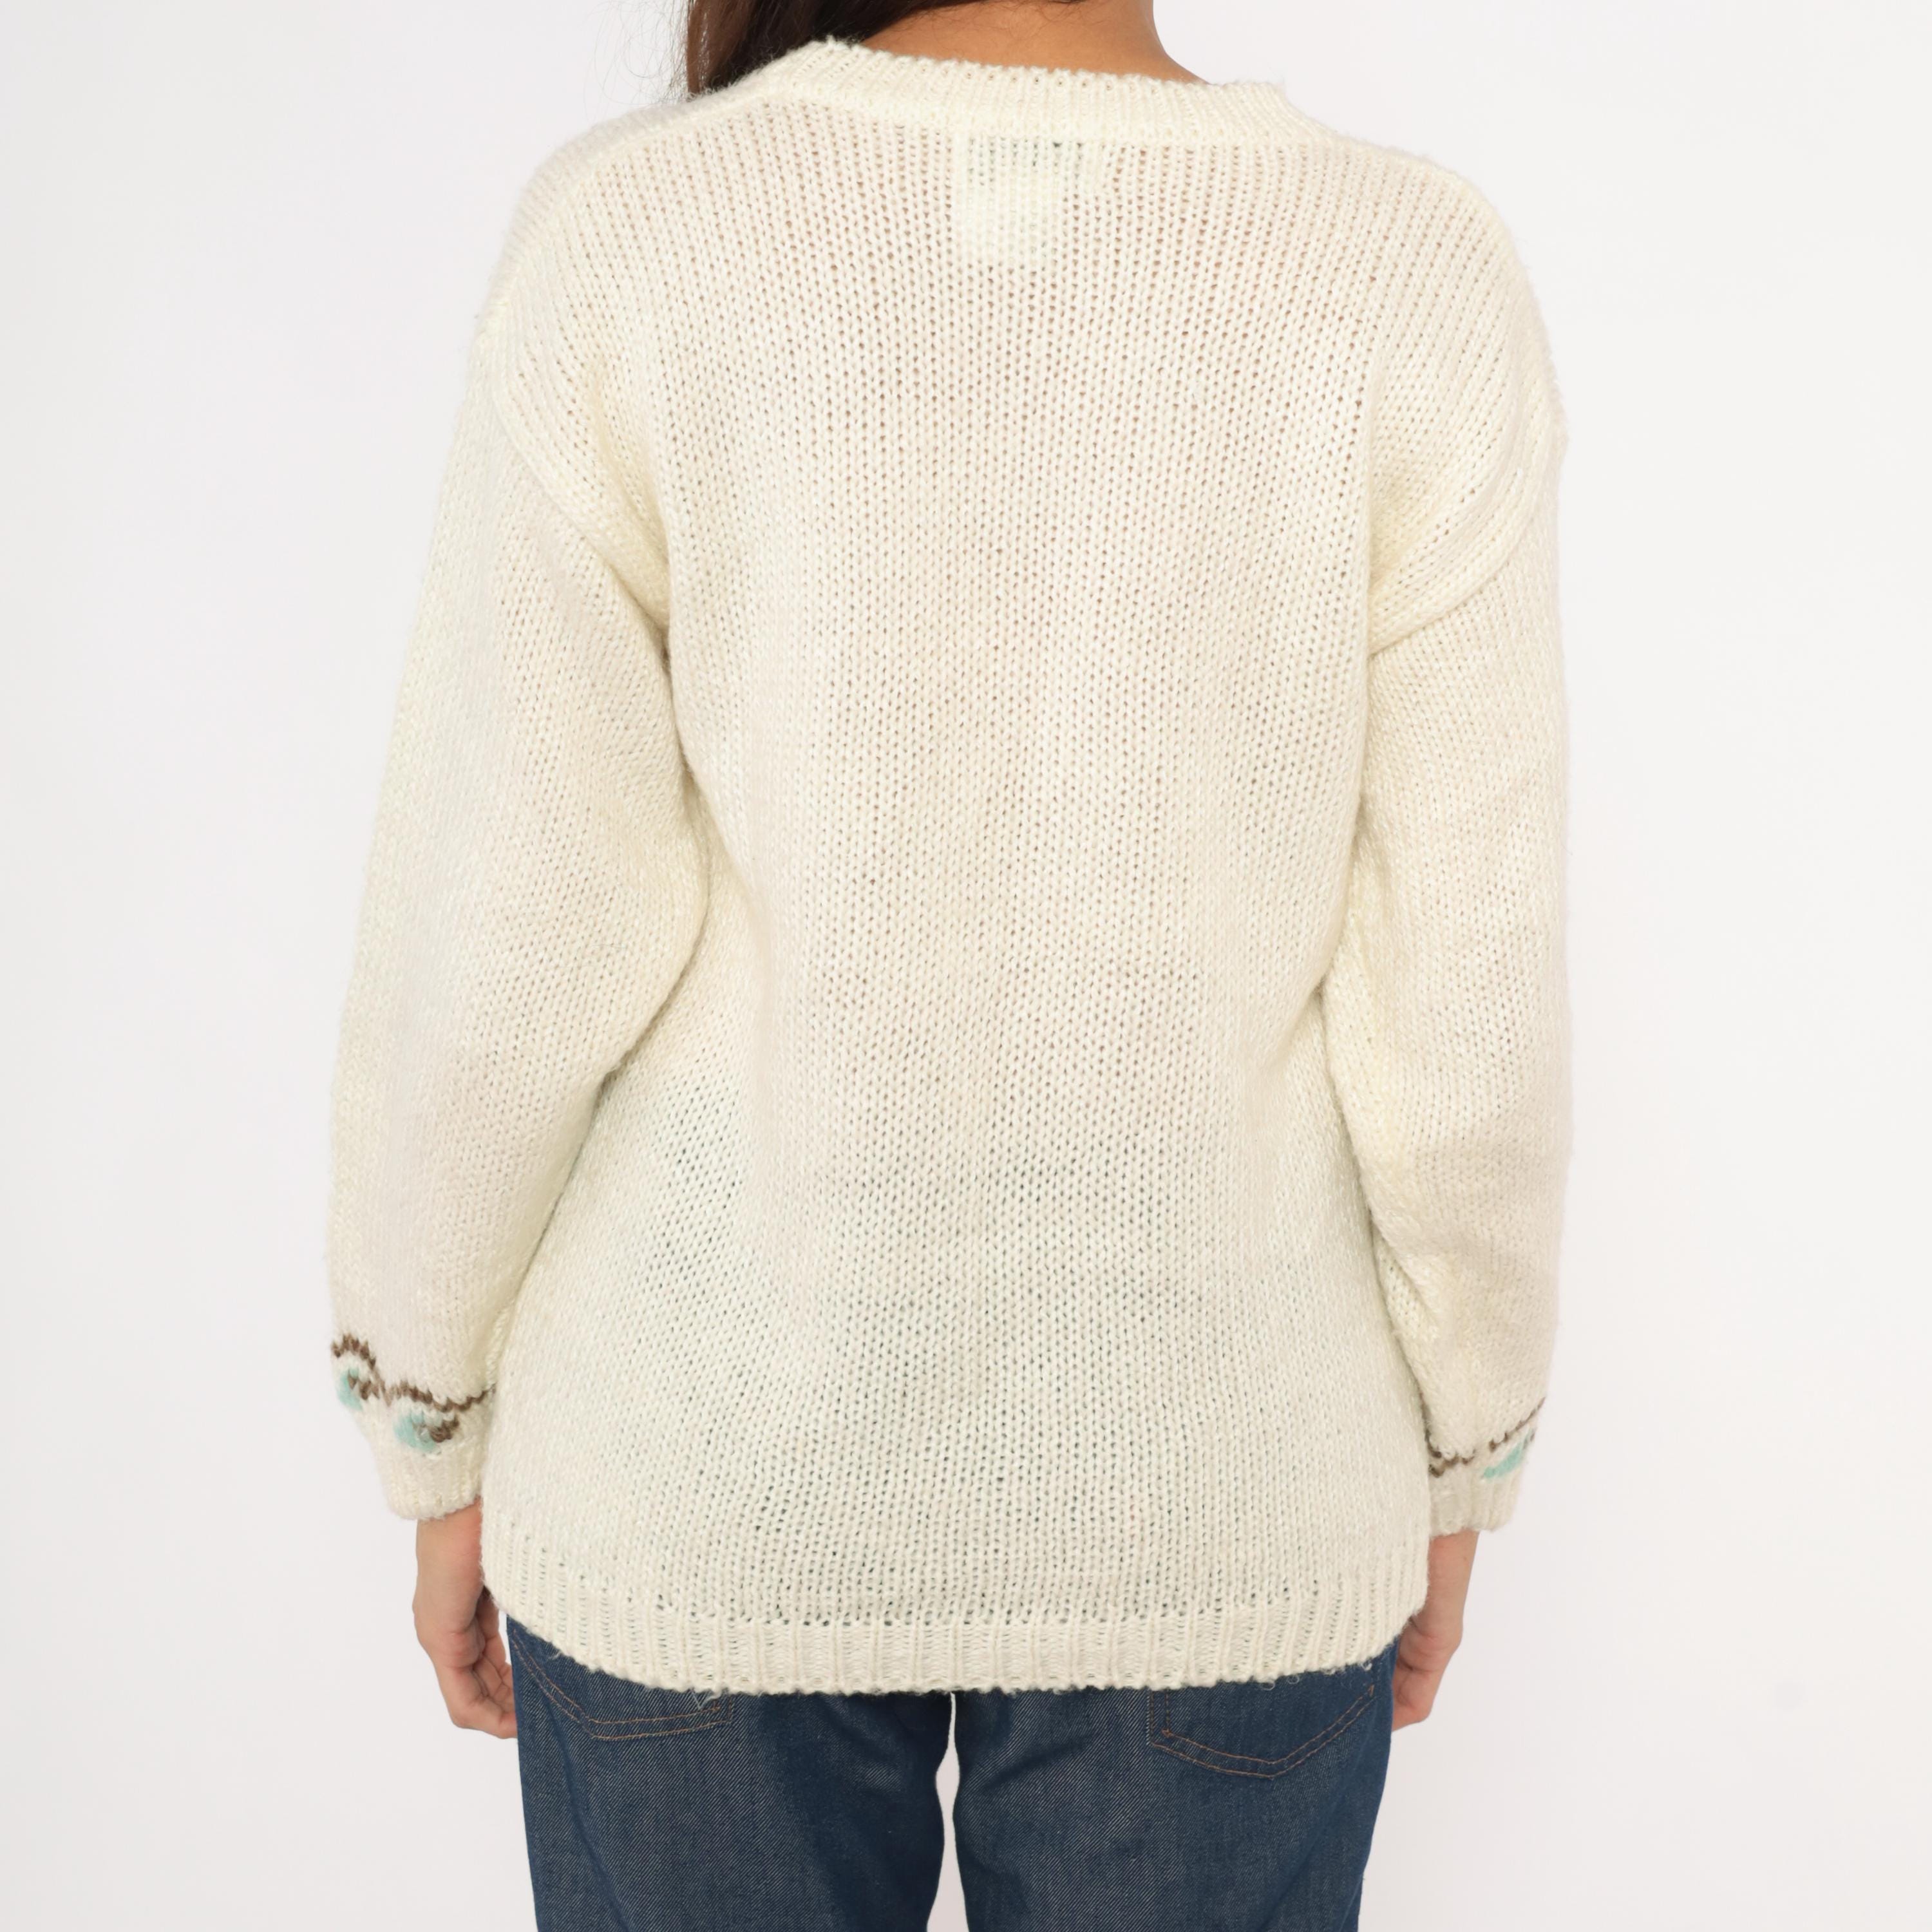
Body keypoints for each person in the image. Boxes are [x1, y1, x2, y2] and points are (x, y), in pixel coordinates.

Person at [325, 1, 1572, 1924]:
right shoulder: (1409, 273)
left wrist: (432, 1424)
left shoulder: (639, 237)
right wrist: (1459, 1456)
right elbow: (1463, 998)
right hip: (1217, 1486)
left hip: (701, 1473)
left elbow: (500, 934)